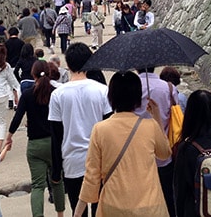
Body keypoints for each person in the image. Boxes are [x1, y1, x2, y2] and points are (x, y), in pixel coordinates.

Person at [73, 71, 171, 217]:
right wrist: (156, 116)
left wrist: (78, 212)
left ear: (111, 96)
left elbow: (92, 175)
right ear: (138, 97)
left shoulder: (100, 129)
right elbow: (165, 154)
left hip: (114, 206)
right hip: (151, 206)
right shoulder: (150, 126)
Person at [49, 43, 113, 217]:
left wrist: (56, 169)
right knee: (99, 210)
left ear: (68, 65)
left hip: (72, 161)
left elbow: (56, 134)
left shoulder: (58, 95)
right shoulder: (102, 91)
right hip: (99, 160)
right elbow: (109, 127)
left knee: (78, 209)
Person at [6, 61, 67, 217]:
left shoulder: (27, 95)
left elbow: (17, 117)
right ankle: (60, 214)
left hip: (35, 145)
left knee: (38, 185)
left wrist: (9, 137)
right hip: (54, 143)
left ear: (33, 75)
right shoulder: (56, 93)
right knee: (57, 181)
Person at [136, 67, 178, 216]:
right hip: (164, 153)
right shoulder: (169, 87)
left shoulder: (132, 87)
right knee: (167, 197)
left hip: (138, 156)